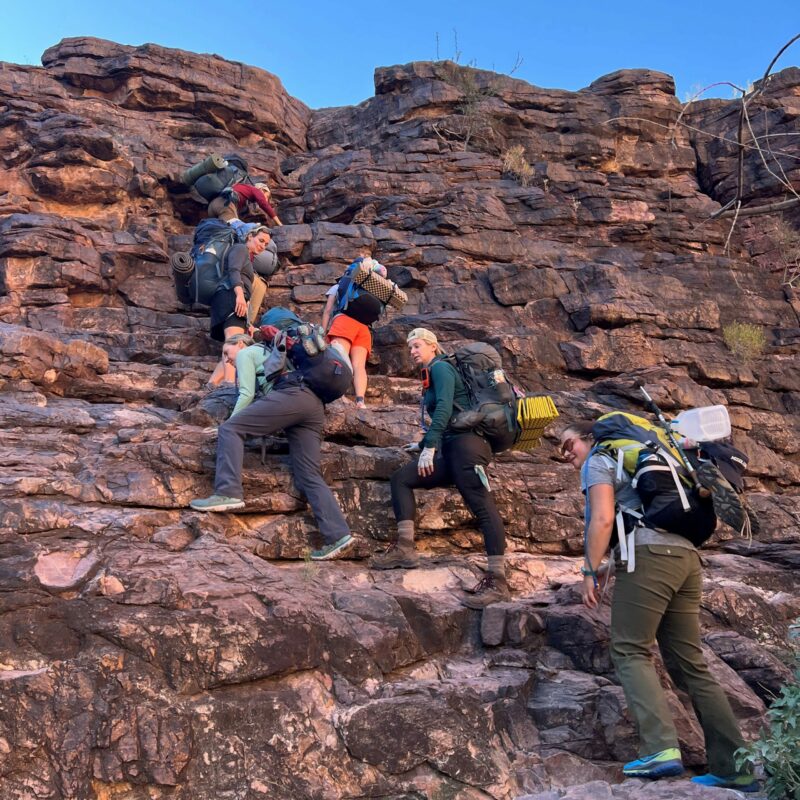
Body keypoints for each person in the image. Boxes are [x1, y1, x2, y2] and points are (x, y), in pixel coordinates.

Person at [558, 420, 758, 791]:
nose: (566, 454)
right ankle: (736, 768)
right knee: (689, 665)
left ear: (590, 438)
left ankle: (659, 750)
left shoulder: (601, 458)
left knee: (629, 648)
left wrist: (588, 568)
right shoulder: (655, 456)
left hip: (650, 556)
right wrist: (607, 563)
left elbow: (602, 519)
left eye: (569, 444)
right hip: (685, 558)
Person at [190, 307, 356, 561]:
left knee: (231, 429)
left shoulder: (249, 353)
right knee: (308, 473)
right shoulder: (294, 350)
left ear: (244, 340)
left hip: (293, 396)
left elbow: (246, 395)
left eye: (227, 353)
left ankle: (228, 492)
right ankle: (338, 535)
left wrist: (233, 421)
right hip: (314, 406)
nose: (227, 360)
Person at [373, 328, 510, 609]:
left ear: (433, 346)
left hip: (468, 448)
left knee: (483, 507)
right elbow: (447, 414)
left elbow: (445, 407)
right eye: (410, 347)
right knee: (402, 478)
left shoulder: (441, 368)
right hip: (453, 450)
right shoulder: (433, 372)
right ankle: (405, 549)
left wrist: (430, 446)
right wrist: (424, 443)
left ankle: (498, 581)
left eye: (418, 345)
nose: (412, 351)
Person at [207, 225, 271, 386]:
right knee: (234, 343)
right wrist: (240, 295)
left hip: (234, 300)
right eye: (261, 240)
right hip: (230, 297)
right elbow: (233, 270)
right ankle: (229, 383)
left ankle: (212, 385)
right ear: (250, 236)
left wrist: (248, 321)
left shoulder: (248, 257)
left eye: (266, 244)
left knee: (237, 346)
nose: (263, 246)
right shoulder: (240, 248)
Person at [321, 250, 386, 409]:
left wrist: (323, 332)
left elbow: (328, 311)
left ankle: (339, 396)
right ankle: (360, 401)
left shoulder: (339, 285)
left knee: (339, 359)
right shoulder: (371, 286)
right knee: (359, 366)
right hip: (364, 327)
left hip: (344, 322)